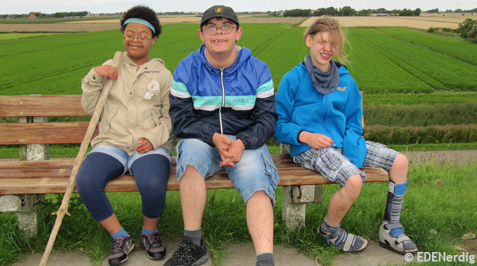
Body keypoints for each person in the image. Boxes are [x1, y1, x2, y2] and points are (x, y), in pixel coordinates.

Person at [274, 16, 418, 255]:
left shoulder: (346, 80)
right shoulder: (293, 78)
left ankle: (390, 227)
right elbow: (278, 125)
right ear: (308, 40)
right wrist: (305, 136)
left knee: (400, 161)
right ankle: (330, 231)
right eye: (322, 42)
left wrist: (353, 148)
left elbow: (354, 121)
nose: (327, 49)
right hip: (309, 148)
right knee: (353, 180)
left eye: (333, 44)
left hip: (342, 143)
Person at [166, 5, 278, 266]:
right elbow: (181, 120)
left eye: (226, 27)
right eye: (211, 28)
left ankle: (265, 259)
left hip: (245, 141)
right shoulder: (186, 69)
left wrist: (241, 143)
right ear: (201, 34)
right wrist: (214, 137)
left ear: (238, 33)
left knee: (257, 183)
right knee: (191, 159)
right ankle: (193, 245)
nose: (219, 33)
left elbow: (267, 119)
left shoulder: (258, 69)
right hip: (203, 140)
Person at [76, 5, 174, 266]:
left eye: (143, 35)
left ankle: (150, 231)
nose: (135, 40)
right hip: (112, 142)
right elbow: (89, 108)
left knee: (153, 184)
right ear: (123, 35)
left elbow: (170, 116)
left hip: (149, 144)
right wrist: (95, 76)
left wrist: (154, 139)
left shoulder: (163, 75)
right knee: (86, 180)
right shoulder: (111, 68)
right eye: (129, 34)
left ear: (153, 39)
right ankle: (119, 236)